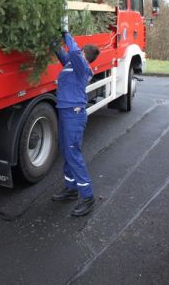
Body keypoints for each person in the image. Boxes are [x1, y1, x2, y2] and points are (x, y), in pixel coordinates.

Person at [52, 31, 100, 217]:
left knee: (73, 154)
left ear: (83, 54)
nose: (77, 50)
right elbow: (62, 54)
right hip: (66, 112)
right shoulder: (72, 64)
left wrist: (66, 34)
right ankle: (71, 188)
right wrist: (53, 39)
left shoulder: (82, 66)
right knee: (66, 150)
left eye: (80, 50)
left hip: (74, 114)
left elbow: (72, 52)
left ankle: (87, 197)